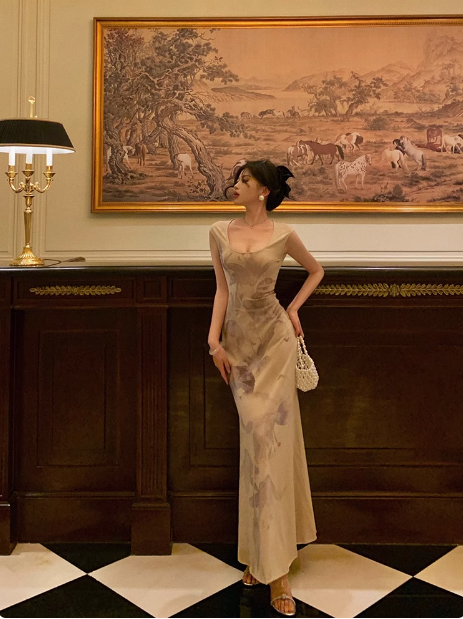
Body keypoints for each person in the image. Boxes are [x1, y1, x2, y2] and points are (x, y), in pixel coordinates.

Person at [208, 159, 324, 617]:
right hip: (238, 348)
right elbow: (222, 291)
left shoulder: (284, 233)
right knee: (254, 447)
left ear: (263, 191)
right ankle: (259, 553)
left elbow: (315, 271)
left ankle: (276, 571)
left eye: (244, 180)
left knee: (271, 447)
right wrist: (214, 343)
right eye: (237, 180)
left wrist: (293, 310)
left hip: (275, 345)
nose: (235, 186)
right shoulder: (219, 231)